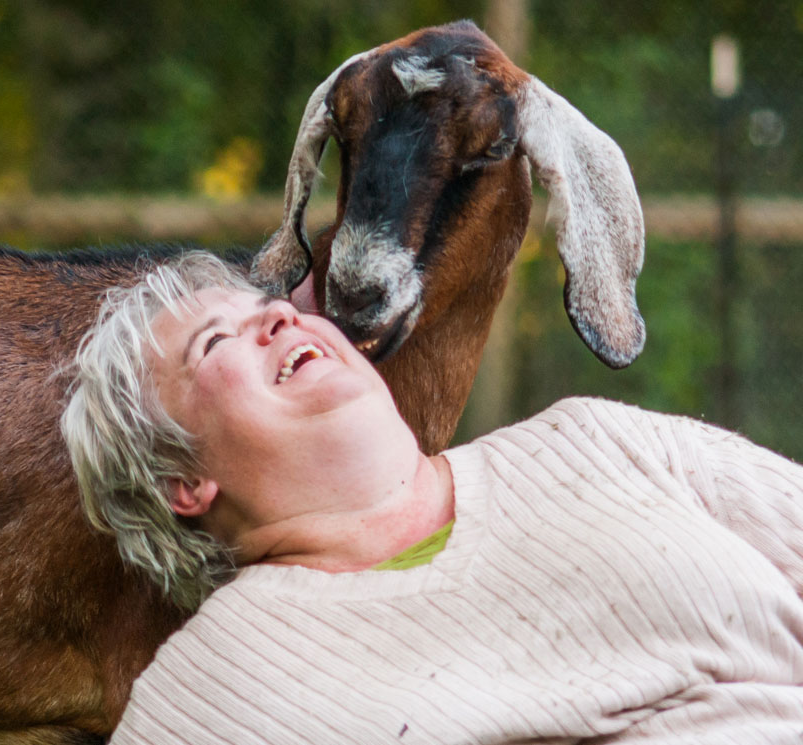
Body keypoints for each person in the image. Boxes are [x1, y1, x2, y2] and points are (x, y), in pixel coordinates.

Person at [60, 251, 803, 744]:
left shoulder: (600, 441)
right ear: (183, 483)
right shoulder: (209, 700)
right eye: (215, 342)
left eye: (269, 306)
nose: (278, 316)